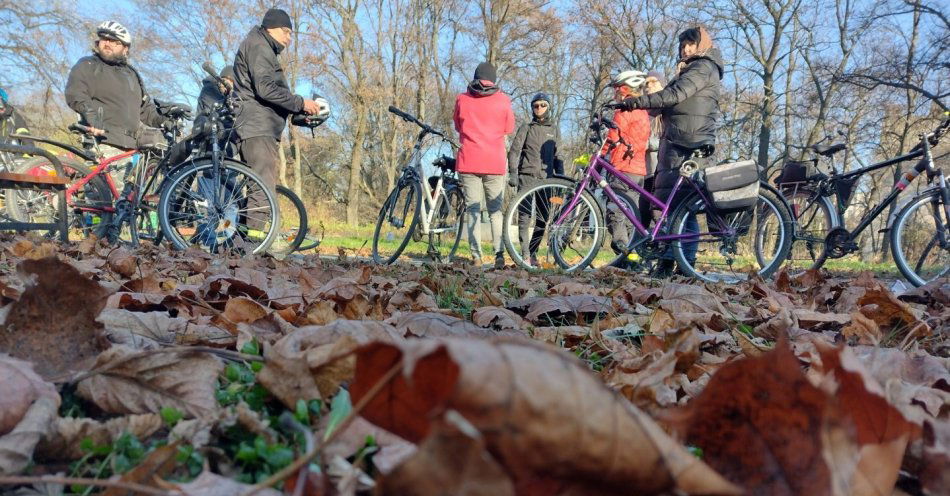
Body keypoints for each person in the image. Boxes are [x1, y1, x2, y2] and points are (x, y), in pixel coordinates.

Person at [617, 26, 723, 277]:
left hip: (689, 141)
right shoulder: (690, 69)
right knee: (673, 208)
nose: (686, 49)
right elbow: (665, 104)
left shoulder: (703, 67)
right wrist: (635, 106)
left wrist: (637, 102)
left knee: (681, 208)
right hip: (676, 140)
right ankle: (673, 263)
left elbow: (674, 95)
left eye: (690, 44)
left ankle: (682, 264)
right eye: (683, 44)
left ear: (702, 45)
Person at [232, 8, 323, 230]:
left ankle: (241, 242)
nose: (289, 38)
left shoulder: (259, 46)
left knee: (258, 186)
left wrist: (295, 111)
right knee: (262, 187)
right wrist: (300, 103)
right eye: (286, 32)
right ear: (271, 28)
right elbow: (265, 89)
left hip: (256, 125)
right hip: (257, 126)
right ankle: (252, 250)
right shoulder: (260, 46)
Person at [65, 21, 168, 155]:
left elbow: (146, 110)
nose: (108, 44)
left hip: (134, 146)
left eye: (115, 41)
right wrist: (92, 117)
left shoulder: (132, 74)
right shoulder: (88, 65)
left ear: (126, 48)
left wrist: (166, 120)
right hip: (103, 142)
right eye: (104, 39)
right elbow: (76, 94)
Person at [454, 61, 514, 269]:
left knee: (472, 210)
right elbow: (509, 128)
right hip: (494, 162)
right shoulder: (504, 101)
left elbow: (457, 125)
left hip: (469, 159)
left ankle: (476, 256)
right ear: (494, 79)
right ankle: (499, 253)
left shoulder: (462, 99)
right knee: (495, 211)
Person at [507, 92, 564, 267]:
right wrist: (513, 173)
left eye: (542, 105)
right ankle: (524, 254)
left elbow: (559, 155)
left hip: (546, 180)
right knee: (524, 216)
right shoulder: (527, 127)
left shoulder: (554, 129)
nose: (539, 108)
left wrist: (561, 181)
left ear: (548, 107)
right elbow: (515, 151)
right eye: (535, 105)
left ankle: (532, 252)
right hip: (526, 177)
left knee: (543, 217)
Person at [603, 71, 652, 261]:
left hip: (622, 166)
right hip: (638, 170)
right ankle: (633, 257)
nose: (615, 93)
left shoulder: (624, 110)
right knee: (630, 214)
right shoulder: (642, 111)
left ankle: (622, 251)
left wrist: (599, 154)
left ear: (624, 89)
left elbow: (613, 137)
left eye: (617, 89)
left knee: (615, 209)